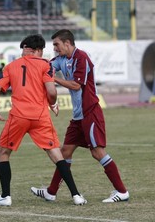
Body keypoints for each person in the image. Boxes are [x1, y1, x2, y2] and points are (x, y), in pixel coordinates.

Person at [31, 29, 130, 203]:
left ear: (67, 43)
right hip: (78, 116)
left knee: (97, 152)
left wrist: (53, 79)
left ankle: (122, 191)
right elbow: (46, 67)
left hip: (90, 112)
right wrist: (31, 63)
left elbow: (76, 86)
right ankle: (51, 192)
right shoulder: (61, 59)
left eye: (57, 44)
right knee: (65, 152)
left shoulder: (81, 58)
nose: (54, 48)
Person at [0, 34, 87, 206]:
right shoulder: (46, 65)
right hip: (40, 117)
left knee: (3, 153)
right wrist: (53, 104)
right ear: (39, 50)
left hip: (18, 116)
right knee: (56, 154)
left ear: (26, 49)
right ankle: (76, 195)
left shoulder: (12, 66)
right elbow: (52, 92)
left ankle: (5, 197)